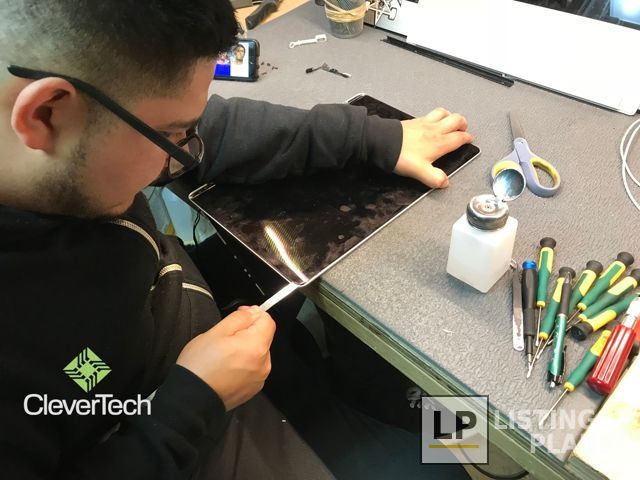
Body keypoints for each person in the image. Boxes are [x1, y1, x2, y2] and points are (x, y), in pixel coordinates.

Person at [0, 1, 473, 479]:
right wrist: (192, 402)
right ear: (45, 114)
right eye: (171, 135)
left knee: (406, 388)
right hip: (186, 434)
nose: (183, 153)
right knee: (444, 469)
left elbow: (211, 129)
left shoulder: (79, 145)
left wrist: (372, 138)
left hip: (207, 342)